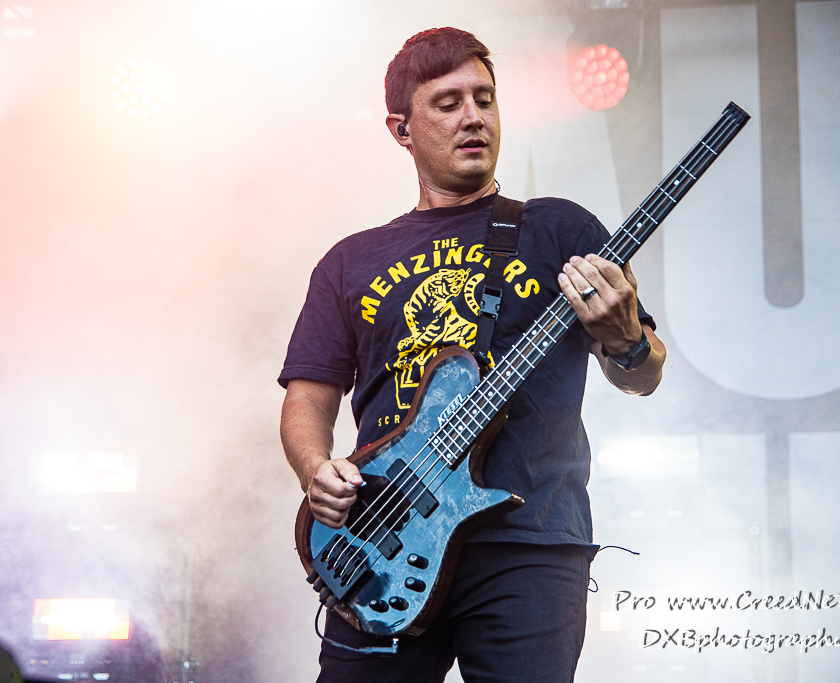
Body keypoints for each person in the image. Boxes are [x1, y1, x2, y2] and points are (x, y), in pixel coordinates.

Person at [278, 27, 666, 683]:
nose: (473, 117)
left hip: (529, 542)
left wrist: (625, 334)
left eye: (485, 99)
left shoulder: (558, 229)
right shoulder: (349, 261)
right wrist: (316, 469)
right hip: (381, 538)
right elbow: (308, 399)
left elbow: (643, 374)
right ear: (401, 129)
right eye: (448, 102)